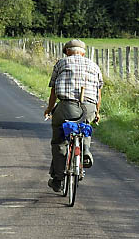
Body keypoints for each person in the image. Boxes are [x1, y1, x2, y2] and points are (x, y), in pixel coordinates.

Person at [44, 39, 103, 192]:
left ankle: (58, 178)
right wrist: (96, 112)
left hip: (66, 106)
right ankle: (85, 151)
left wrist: (49, 109)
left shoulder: (61, 63)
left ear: (68, 51)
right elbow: (98, 93)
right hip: (88, 107)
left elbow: (54, 91)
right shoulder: (94, 66)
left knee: (59, 140)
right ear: (83, 52)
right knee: (84, 127)